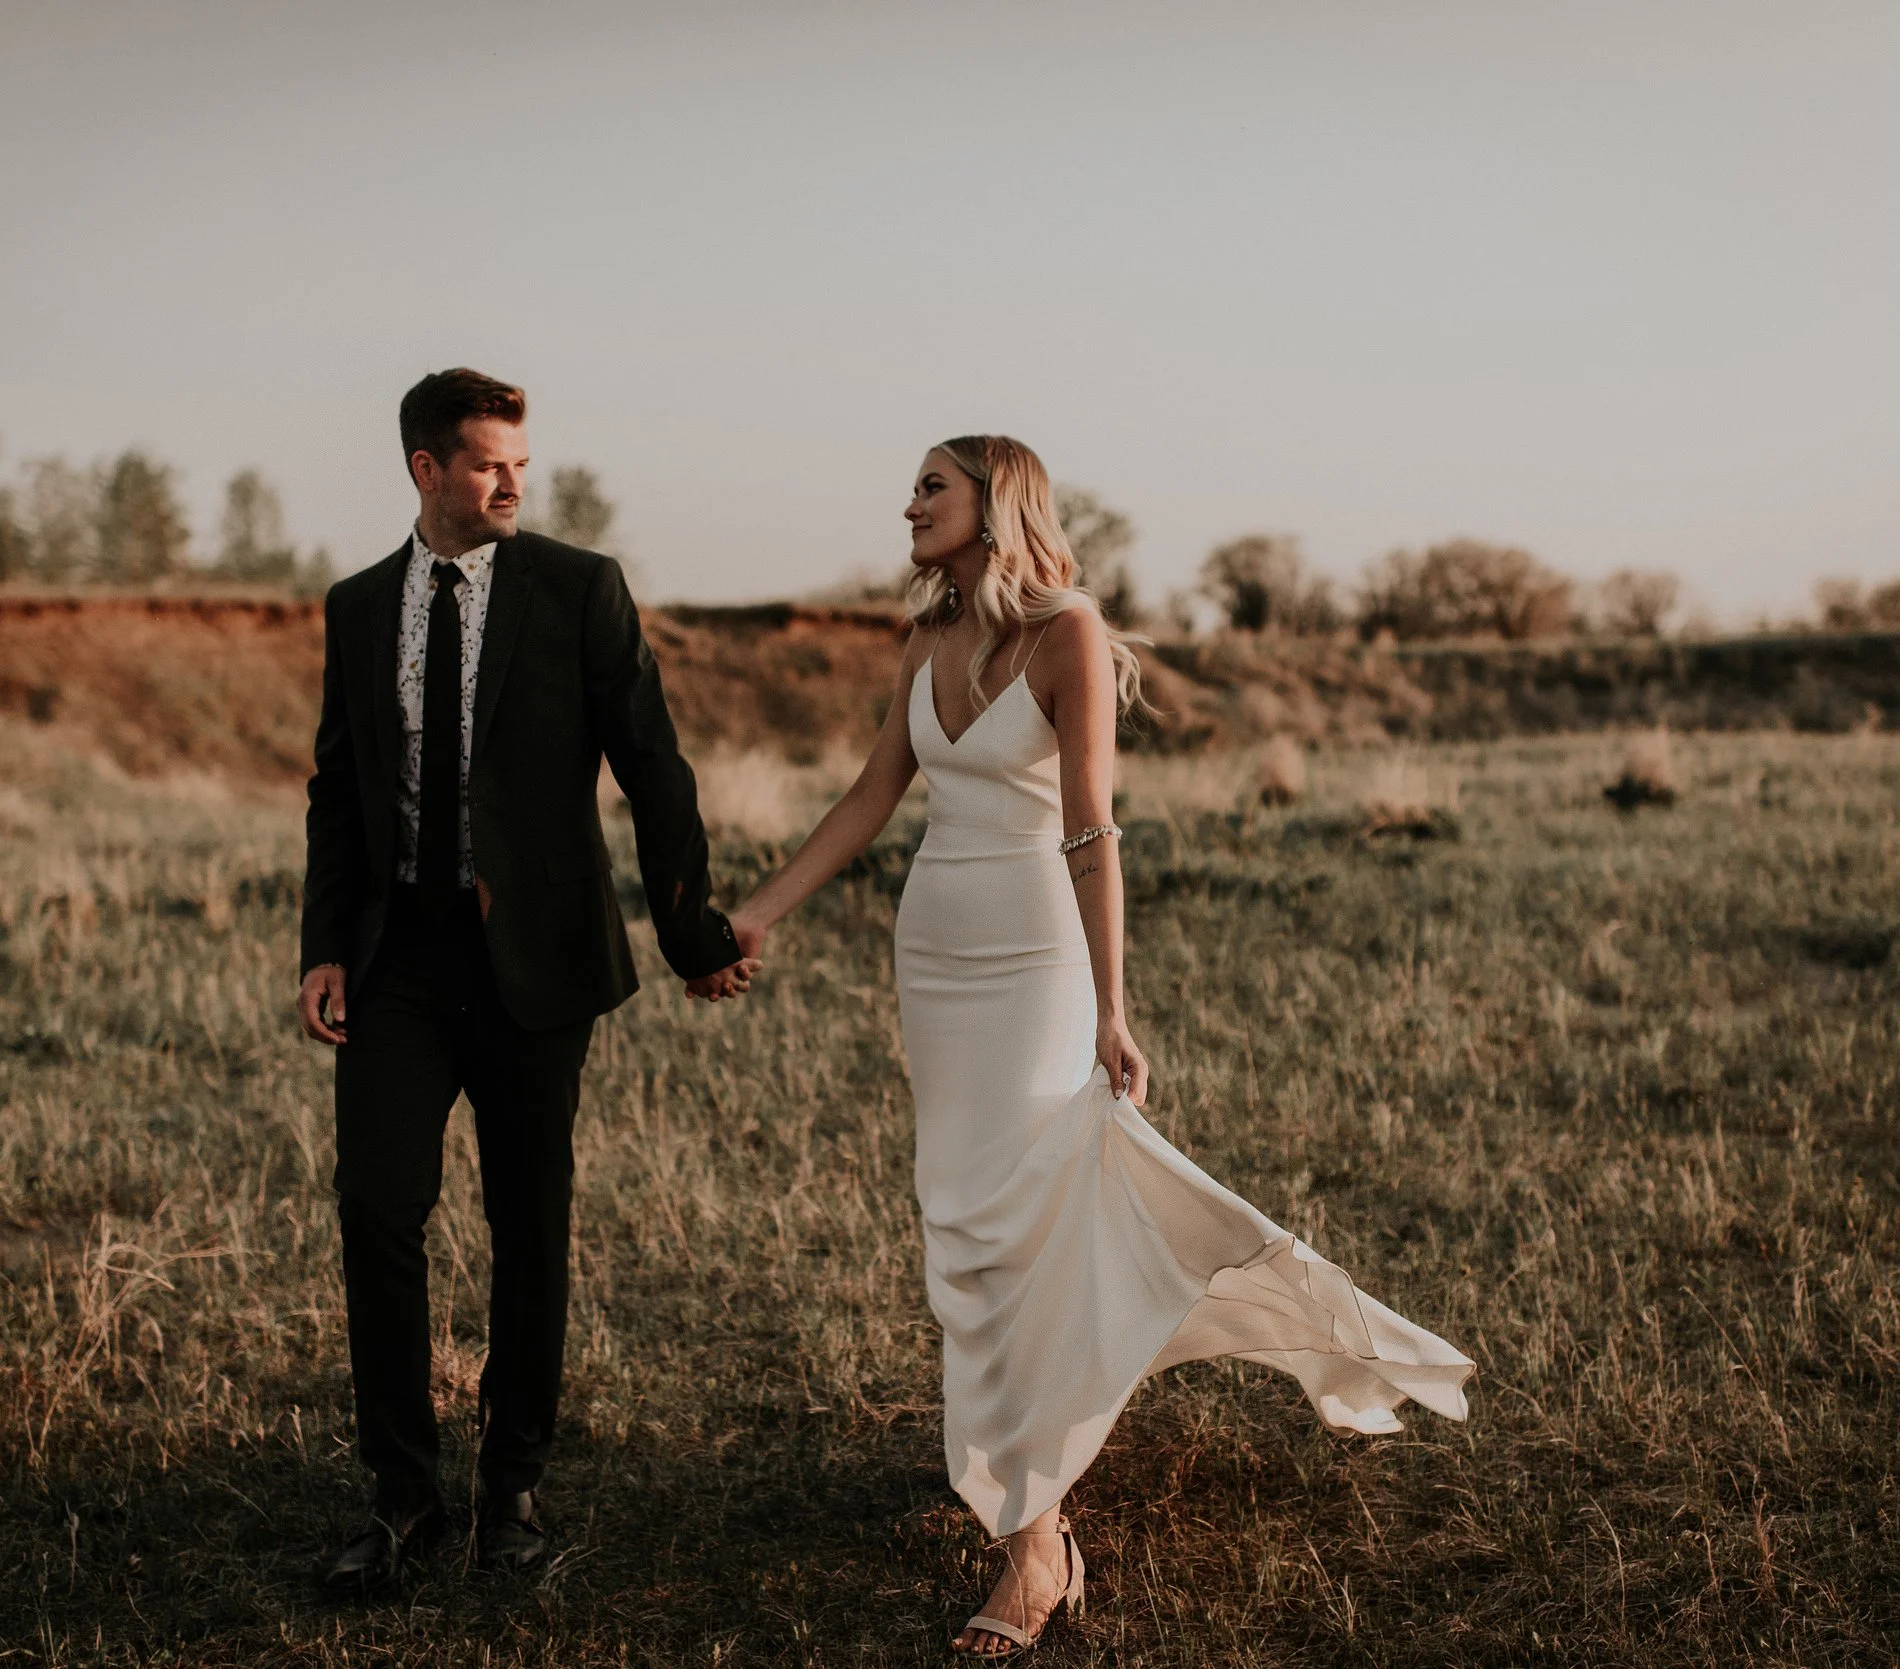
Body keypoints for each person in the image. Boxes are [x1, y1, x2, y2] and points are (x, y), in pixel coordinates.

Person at [727, 436, 1474, 1656]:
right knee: (961, 1220)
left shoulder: (1066, 632)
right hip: (935, 958)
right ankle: (1025, 1476)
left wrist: (1112, 1008)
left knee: (1016, 1231)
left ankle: (1037, 1541)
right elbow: (868, 798)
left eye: (931, 486)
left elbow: (1090, 830)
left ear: (994, 504)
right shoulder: (924, 640)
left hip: (1036, 961)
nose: (908, 504)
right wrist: (759, 912)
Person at [296, 369, 757, 1590]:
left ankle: (512, 1494)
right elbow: (338, 787)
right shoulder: (357, 606)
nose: (512, 482)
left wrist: (690, 929)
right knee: (376, 1211)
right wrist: (323, 944)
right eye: (488, 463)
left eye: (520, 464)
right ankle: (403, 1497)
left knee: (528, 1224)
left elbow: (653, 765)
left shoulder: (579, 588)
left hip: (537, 960)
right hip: (397, 960)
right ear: (426, 469)